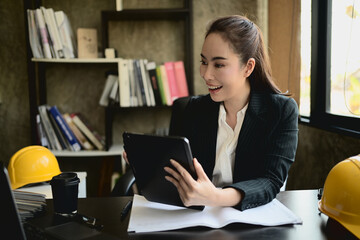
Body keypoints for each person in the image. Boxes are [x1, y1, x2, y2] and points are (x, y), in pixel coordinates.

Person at [163, 15, 299, 211]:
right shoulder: (190, 110)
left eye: (218, 65)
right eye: (204, 62)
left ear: (248, 67)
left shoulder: (281, 111)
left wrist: (216, 197)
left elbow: (270, 181)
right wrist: (149, 164)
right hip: (197, 218)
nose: (206, 74)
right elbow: (178, 175)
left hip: (251, 218)